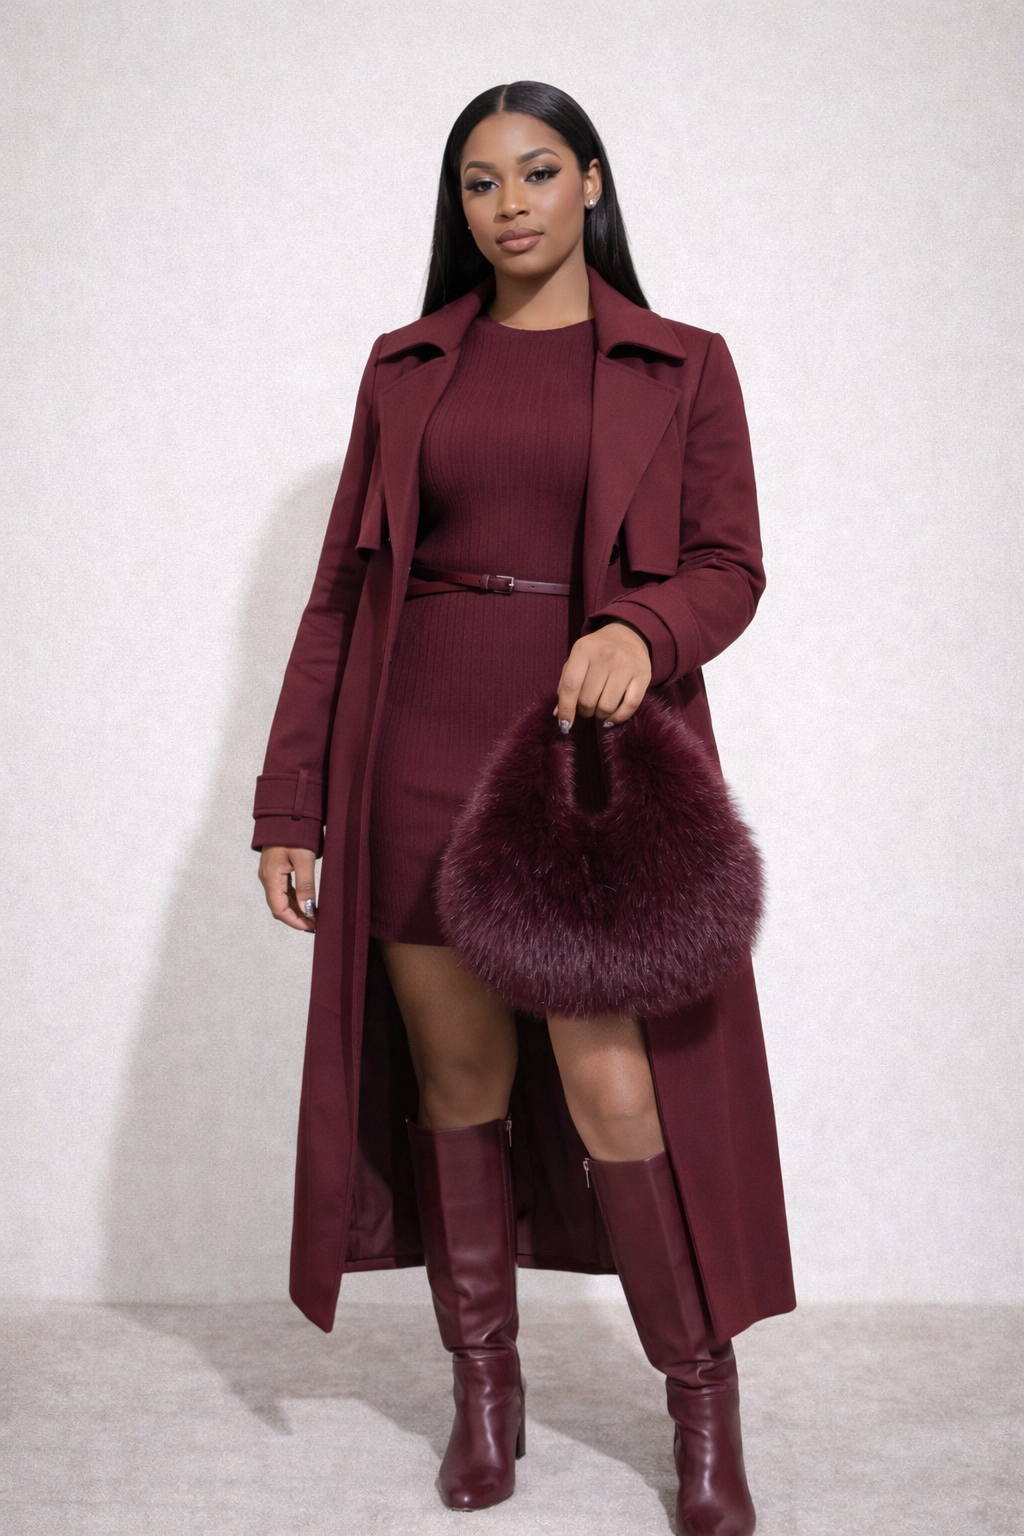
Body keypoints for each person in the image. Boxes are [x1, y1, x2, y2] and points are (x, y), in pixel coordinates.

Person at [254, 79, 795, 1533]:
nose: (509, 204)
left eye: (539, 172)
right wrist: (290, 801)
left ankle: (702, 1408)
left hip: (578, 764)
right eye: (481, 182)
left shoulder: (682, 364)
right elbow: (340, 593)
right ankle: (483, 1398)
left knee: (615, 1087)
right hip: (412, 746)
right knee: (459, 1087)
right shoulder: (406, 364)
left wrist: (642, 630)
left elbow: (731, 565)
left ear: (593, 184)